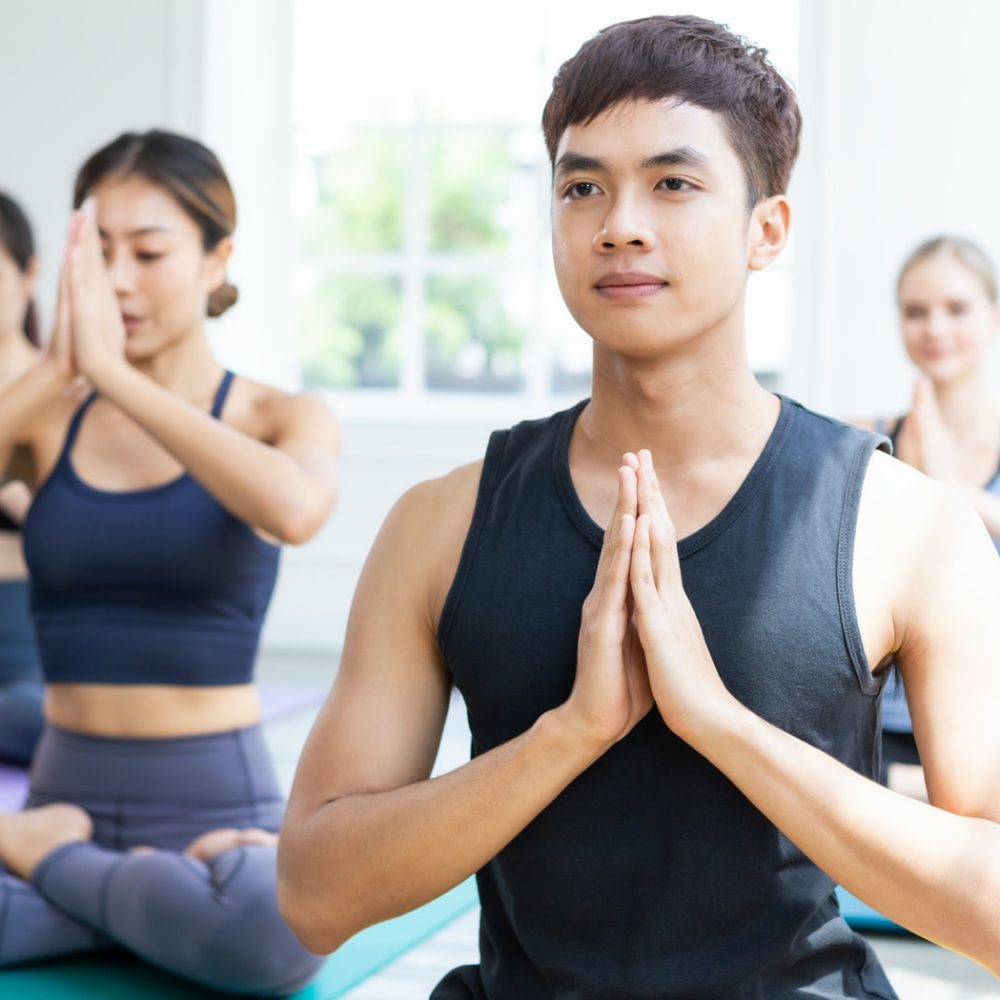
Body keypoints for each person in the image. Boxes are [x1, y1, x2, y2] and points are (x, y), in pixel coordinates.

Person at [277, 15, 1000, 998]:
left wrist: (720, 723)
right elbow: (314, 894)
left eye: (673, 182)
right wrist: (567, 735)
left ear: (766, 229)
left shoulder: (907, 527)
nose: (619, 221)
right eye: (582, 186)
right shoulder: (438, 525)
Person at [0, 130, 338, 994]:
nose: (117, 280)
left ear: (217, 256)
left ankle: (55, 872)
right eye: (98, 251)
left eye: (147, 252)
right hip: (60, 786)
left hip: (216, 816)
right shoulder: (44, 420)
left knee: (276, 936)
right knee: (232, 929)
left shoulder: (278, 415)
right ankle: (139, 905)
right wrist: (68, 372)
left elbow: (297, 510)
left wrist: (119, 377)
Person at [862, 237, 1000, 801]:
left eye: (956, 308)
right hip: (887, 728)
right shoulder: (866, 441)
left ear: (994, 313)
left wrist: (953, 490)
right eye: (916, 312)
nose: (935, 329)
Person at [0, 193, 45, 764]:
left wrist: (17, 494)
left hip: (24, 639)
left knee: (36, 719)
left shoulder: (73, 395)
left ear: (31, 275)